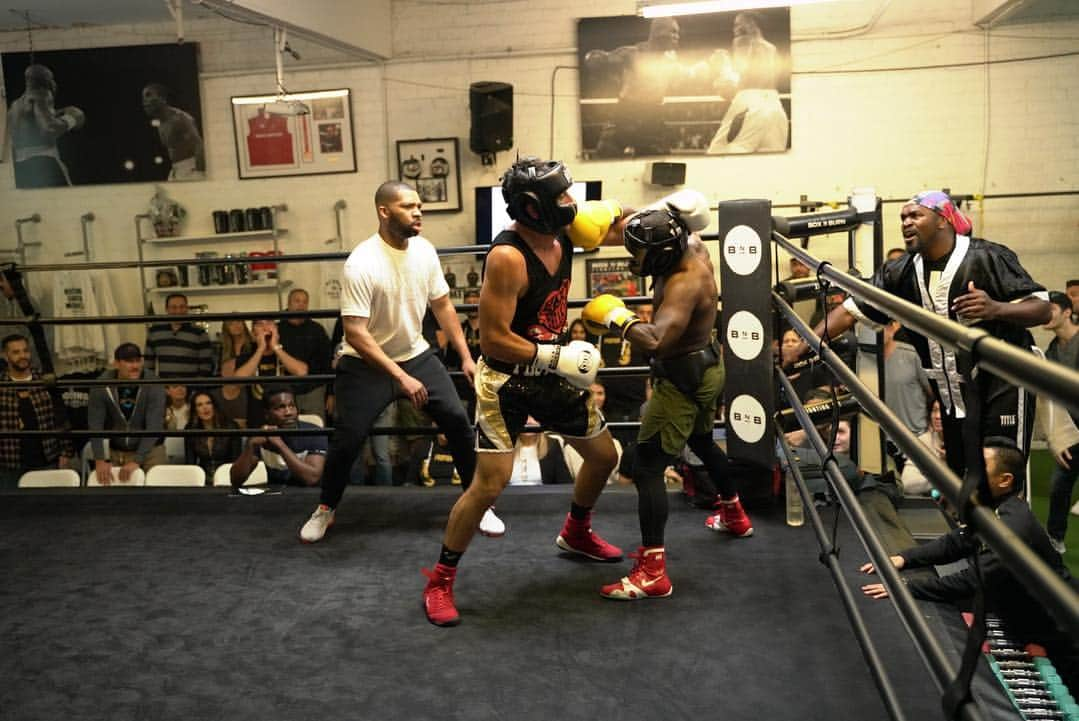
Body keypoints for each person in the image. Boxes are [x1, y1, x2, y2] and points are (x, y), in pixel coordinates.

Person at [422, 157, 621, 626]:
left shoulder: (566, 233)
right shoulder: (508, 257)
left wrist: (665, 210)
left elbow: (619, 220)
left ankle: (576, 532)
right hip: (505, 383)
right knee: (490, 484)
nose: (571, 205)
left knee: (604, 456)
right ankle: (440, 580)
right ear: (534, 208)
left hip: (549, 373)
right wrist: (558, 356)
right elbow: (493, 340)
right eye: (561, 198)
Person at [300, 181, 503, 544]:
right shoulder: (362, 262)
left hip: (416, 354)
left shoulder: (424, 251)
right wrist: (399, 377)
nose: (418, 212)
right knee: (347, 440)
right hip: (365, 364)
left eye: (419, 205)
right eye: (408, 206)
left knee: (458, 421)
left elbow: (442, 305)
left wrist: (467, 357)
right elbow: (356, 333)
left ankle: (478, 505)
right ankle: (326, 508)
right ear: (384, 212)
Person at [806, 190, 1050, 481]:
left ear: (943, 220)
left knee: (999, 471)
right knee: (960, 473)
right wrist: (805, 344)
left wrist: (995, 308)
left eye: (916, 215)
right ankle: (969, 527)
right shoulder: (900, 271)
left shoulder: (987, 256)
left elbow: (1043, 309)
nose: (906, 222)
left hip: (1003, 382)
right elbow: (848, 311)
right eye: (903, 217)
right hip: (953, 392)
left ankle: (1009, 527)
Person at [582, 204, 753, 601]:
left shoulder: (685, 282)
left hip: (681, 380)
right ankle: (734, 514)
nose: (634, 259)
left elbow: (657, 340)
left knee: (646, 468)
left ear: (660, 252)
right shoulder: (685, 240)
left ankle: (653, 571)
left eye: (639, 253)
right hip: (706, 368)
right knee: (703, 441)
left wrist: (617, 317)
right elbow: (654, 221)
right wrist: (620, 211)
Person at [860, 438, 1079, 694]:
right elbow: (958, 541)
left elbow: (973, 580)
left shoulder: (1012, 526)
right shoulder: (993, 508)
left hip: (1065, 628)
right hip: (1035, 619)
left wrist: (905, 586)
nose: (969, 473)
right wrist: (905, 558)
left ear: (1004, 480)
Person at [584, 18, 703, 157]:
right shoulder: (632, 54)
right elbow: (600, 59)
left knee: (658, 164)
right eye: (674, 32)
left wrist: (700, 69)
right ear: (658, 32)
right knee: (606, 155)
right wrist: (597, 58)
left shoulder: (671, 58)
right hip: (626, 112)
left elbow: (686, 75)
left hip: (653, 114)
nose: (677, 36)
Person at [706, 11, 789, 155]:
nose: (735, 29)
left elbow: (743, 81)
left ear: (751, 23)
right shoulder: (772, 48)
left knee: (718, 152)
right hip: (775, 107)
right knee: (770, 160)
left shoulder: (742, 42)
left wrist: (724, 68)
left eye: (738, 24)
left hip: (750, 104)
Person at [0, 334, 75, 488]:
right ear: (5, 355)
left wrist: (66, 452)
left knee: (46, 507)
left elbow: (61, 417)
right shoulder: (1, 385)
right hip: (9, 462)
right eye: (16, 352)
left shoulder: (45, 382)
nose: (22, 356)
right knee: (10, 508)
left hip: (47, 458)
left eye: (25, 351)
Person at [89, 343, 167, 485]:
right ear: (117, 364)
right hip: (118, 451)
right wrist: (100, 460)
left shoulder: (154, 384)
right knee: (118, 499)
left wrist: (137, 459)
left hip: (152, 451)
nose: (135, 366)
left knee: (158, 495)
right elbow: (95, 423)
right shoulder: (101, 385)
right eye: (129, 361)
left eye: (138, 361)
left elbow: (154, 426)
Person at [1041, 291, 1079, 553]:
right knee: (1059, 487)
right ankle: (1055, 539)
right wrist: (1056, 438)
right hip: (1072, 432)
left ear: (1067, 312)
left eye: (1050, 309)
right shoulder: (1050, 352)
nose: (1044, 314)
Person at [230, 388, 326, 488]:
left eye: (292, 406)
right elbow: (235, 480)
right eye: (281, 407)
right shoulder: (263, 436)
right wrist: (250, 446)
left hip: (308, 498)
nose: (289, 412)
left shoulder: (314, 433)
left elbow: (311, 479)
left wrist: (280, 445)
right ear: (267, 414)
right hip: (275, 498)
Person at [881, 319, 935, 495]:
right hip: (882, 444)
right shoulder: (864, 359)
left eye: (879, 325)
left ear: (893, 327)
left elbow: (933, 394)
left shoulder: (911, 355)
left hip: (915, 440)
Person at [7, 63, 83, 188]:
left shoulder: (14, 107)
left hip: (20, 168)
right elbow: (50, 128)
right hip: (45, 162)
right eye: (51, 79)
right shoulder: (42, 93)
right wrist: (72, 119)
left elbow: (35, 120)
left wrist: (59, 113)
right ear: (45, 80)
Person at [226, 317, 309, 428]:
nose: (265, 327)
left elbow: (302, 372)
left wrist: (275, 347)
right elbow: (237, 382)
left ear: (276, 329)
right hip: (257, 423)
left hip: (287, 423)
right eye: (260, 324)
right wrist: (260, 349)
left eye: (269, 323)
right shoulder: (246, 355)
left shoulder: (287, 351)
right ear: (253, 333)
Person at [276, 288, 332, 420]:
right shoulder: (277, 329)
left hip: (313, 390)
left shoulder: (317, 330)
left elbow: (328, 363)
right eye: (297, 301)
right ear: (288, 304)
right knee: (288, 433)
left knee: (315, 429)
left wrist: (331, 393)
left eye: (304, 302)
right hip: (285, 391)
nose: (301, 305)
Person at [142, 82, 205, 181]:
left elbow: (199, 146)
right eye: (143, 98)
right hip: (176, 171)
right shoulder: (160, 123)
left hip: (190, 169)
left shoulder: (180, 118)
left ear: (162, 98)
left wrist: (198, 173)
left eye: (149, 95)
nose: (145, 101)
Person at [143, 293, 214, 381]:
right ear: (167, 309)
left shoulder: (199, 333)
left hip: (191, 388)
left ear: (187, 308)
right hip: (164, 388)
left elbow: (206, 366)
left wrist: (196, 388)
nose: (178, 311)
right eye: (173, 307)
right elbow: (148, 365)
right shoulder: (154, 331)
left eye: (182, 307)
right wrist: (153, 388)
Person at [185, 390, 241, 484]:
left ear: (214, 406)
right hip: (203, 479)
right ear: (195, 411)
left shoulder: (231, 427)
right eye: (200, 405)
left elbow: (236, 461)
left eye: (208, 403)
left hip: (227, 477)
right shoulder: (190, 429)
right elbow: (190, 463)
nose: (205, 407)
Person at [217, 319, 255, 425]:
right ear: (226, 329)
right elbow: (221, 372)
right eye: (231, 323)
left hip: (250, 389)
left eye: (239, 322)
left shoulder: (253, 344)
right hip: (229, 390)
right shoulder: (223, 348)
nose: (236, 325)